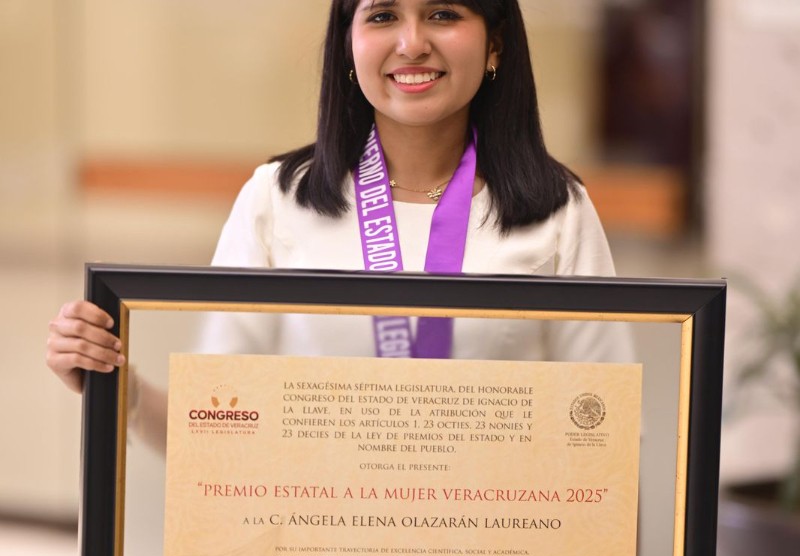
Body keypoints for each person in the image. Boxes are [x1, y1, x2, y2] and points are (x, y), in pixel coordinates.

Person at [47, 0, 633, 419]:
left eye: (443, 14)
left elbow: (606, 433)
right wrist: (116, 389)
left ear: (495, 44)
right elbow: (214, 430)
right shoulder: (276, 199)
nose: (411, 43)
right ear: (349, 46)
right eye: (382, 15)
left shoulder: (557, 211)